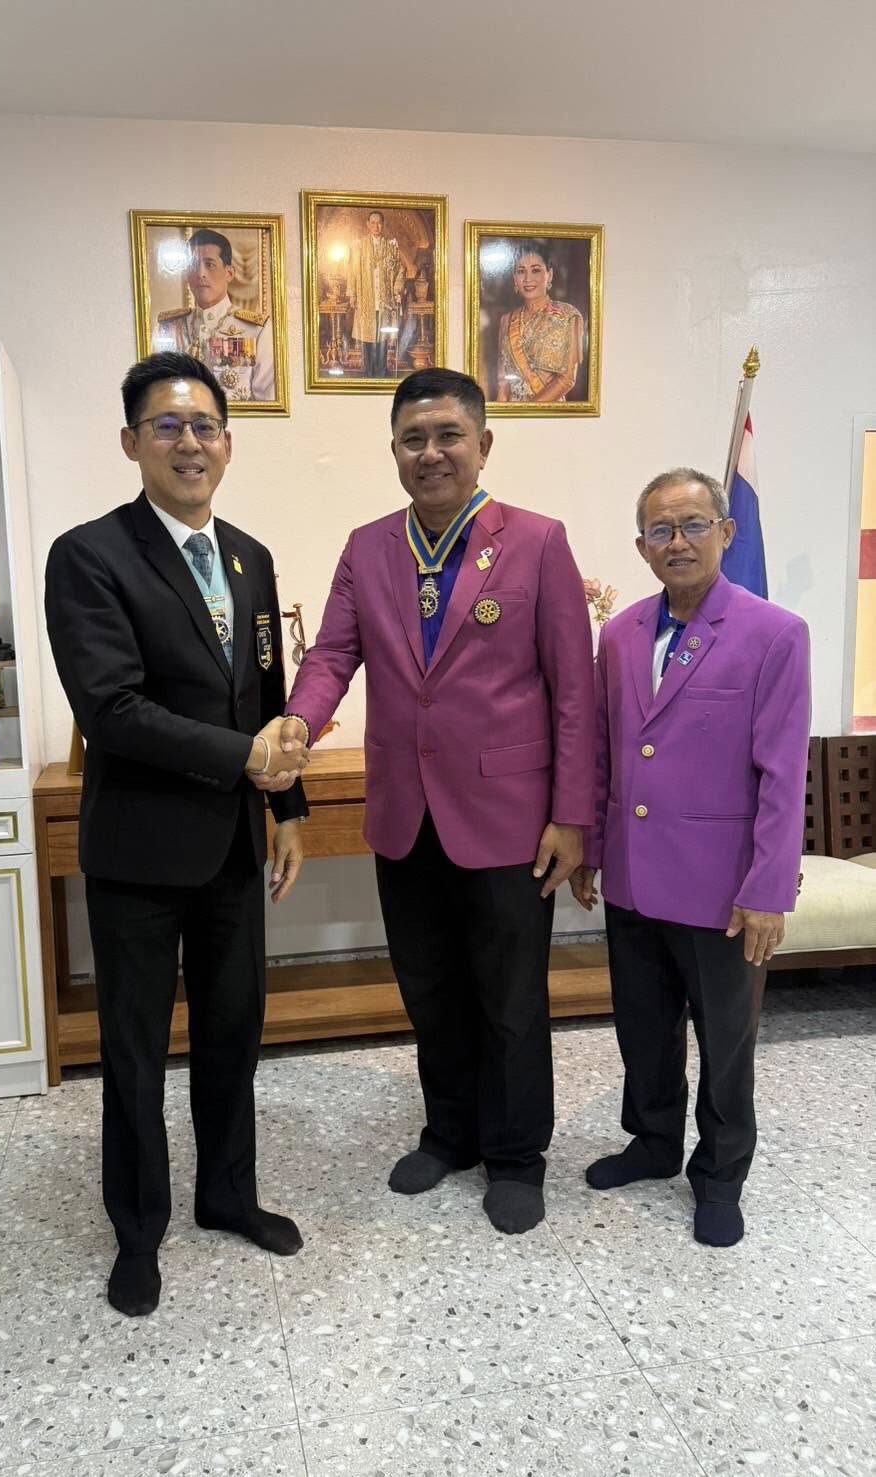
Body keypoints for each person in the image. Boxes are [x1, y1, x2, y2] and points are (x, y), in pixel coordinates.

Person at [281, 368, 595, 1234]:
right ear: (394, 452)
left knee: (510, 997)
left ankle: (517, 1153)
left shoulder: (537, 541)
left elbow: (574, 693)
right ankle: (450, 1132)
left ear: (483, 444)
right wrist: (299, 722)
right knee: (429, 988)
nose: (431, 452)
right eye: (413, 438)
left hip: (511, 819)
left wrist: (574, 817)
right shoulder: (368, 547)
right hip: (404, 814)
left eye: (448, 434)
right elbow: (331, 656)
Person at [44, 351, 308, 1317]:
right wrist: (246, 758)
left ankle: (227, 1194)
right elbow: (111, 709)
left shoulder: (250, 556)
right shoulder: (89, 556)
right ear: (132, 442)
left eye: (204, 426)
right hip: (140, 856)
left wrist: (287, 810)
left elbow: (268, 692)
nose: (188, 442)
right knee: (136, 1051)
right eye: (167, 425)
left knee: (235, 1033)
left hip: (234, 848)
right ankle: (137, 1229)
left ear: (227, 444)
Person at [570, 469, 810, 1248]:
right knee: (643, 1027)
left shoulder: (774, 633)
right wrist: (592, 848)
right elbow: (606, 750)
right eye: (661, 529)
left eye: (694, 524)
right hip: (634, 877)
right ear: (641, 546)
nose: (678, 541)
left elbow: (784, 773)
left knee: (726, 1040)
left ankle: (720, 1174)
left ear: (726, 532)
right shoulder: (620, 634)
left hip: (723, 889)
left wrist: (769, 888)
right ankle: (652, 1142)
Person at [156, 229, 275, 402]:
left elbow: (268, 401)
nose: (201, 273)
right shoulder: (169, 327)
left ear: (229, 273)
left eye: (210, 264)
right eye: (194, 265)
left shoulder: (256, 329)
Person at [496, 240, 584, 404]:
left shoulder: (568, 315)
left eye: (536, 270)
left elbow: (567, 379)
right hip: (512, 411)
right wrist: (501, 413)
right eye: (521, 271)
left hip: (548, 412)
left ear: (549, 274)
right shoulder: (506, 320)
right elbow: (503, 383)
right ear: (515, 278)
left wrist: (528, 411)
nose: (528, 279)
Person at [347, 210, 406, 378]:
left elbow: (400, 270)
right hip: (366, 298)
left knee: (383, 335)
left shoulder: (390, 246)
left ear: (383, 225)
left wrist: (397, 290)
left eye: (379, 222)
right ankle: (368, 372)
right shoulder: (359, 246)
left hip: (384, 299)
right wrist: (352, 294)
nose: (376, 226)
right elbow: (352, 270)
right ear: (368, 225)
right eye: (372, 223)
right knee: (366, 335)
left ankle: (381, 372)